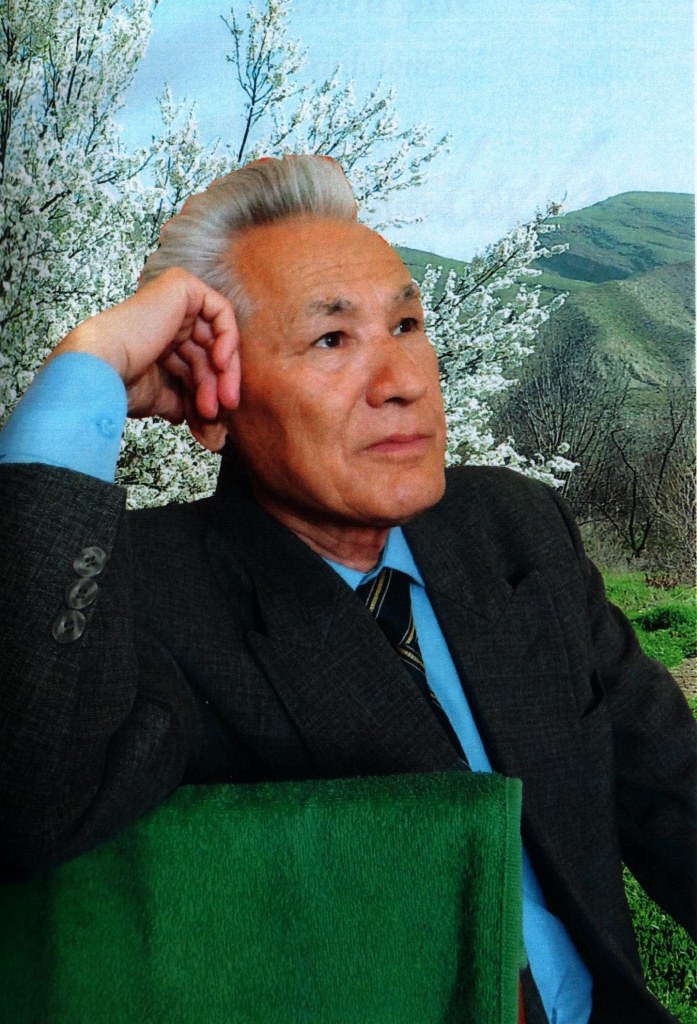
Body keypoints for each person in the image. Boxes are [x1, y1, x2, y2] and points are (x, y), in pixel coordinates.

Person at [0, 155, 694, 1024]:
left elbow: (673, 788)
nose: (403, 382)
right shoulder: (148, 592)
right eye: (330, 339)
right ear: (214, 398)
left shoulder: (513, 527)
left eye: (406, 324)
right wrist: (87, 373)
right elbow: (25, 800)